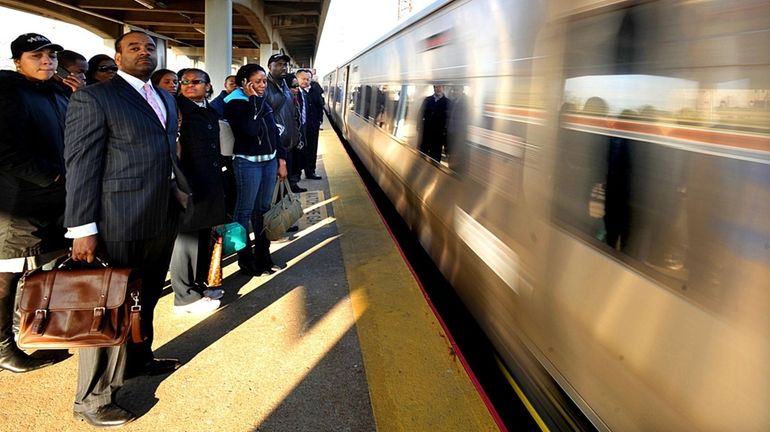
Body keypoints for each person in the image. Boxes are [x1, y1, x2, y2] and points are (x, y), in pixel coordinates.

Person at [64, 30, 187, 427]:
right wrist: (82, 228)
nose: (143, 52)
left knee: (145, 296)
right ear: (117, 57)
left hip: (160, 216)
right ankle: (93, 400)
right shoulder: (95, 97)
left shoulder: (166, 96)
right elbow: (81, 165)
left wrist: (178, 191)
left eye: (150, 47)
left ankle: (138, 360)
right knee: (109, 309)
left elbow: (166, 151)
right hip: (117, 220)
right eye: (133, 47)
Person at [0, 32, 68, 374]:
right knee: (7, 272)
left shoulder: (57, 92)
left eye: (51, 55)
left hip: (53, 201)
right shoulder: (8, 91)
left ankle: (30, 329)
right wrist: (53, 176)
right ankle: (2, 347)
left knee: (38, 271)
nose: (47, 61)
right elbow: (5, 152)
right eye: (36, 56)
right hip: (16, 203)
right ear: (17, 61)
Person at [169, 68, 227, 313]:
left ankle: (202, 282)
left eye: (196, 81)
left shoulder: (209, 111)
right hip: (187, 184)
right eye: (184, 81)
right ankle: (184, 296)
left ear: (208, 85)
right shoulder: (177, 111)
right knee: (186, 240)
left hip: (210, 182)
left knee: (204, 235)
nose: (189, 85)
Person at [224, 64, 287, 276]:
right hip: (247, 163)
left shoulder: (261, 101)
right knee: (243, 212)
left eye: (264, 81)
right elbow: (250, 131)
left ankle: (263, 255)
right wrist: (253, 99)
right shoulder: (234, 103)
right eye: (257, 82)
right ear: (245, 83)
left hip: (269, 162)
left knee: (263, 210)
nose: (262, 85)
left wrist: (282, 160)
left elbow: (273, 132)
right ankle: (244, 259)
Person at [265, 53, 304, 193]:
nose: (283, 67)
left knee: (284, 186)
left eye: (284, 64)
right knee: (274, 187)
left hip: (289, 143)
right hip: (275, 144)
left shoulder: (284, 86)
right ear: (270, 67)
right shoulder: (265, 87)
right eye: (279, 64)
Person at [297, 69, 324, 180]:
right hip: (299, 127)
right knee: (299, 149)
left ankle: (310, 172)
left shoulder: (315, 90)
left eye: (308, 79)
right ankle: (296, 174)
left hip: (313, 125)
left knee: (312, 149)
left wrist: (319, 120)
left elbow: (320, 106)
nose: (306, 81)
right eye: (303, 79)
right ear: (297, 79)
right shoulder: (294, 91)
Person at [418, 84, 450, 162]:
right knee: (422, 154)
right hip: (426, 132)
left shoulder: (447, 102)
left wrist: (445, 133)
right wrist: (419, 126)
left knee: (435, 157)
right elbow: (420, 113)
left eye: (440, 87)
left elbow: (448, 119)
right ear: (434, 88)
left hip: (438, 135)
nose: (438, 89)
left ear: (443, 88)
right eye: (436, 87)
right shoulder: (427, 100)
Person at [285, 73, 306, 189]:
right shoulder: (283, 102)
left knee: (296, 162)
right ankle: (290, 187)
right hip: (288, 141)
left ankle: (293, 184)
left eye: (297, 86)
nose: (297, 89)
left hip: (296, 138)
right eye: (293, 86)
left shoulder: (297, 98)